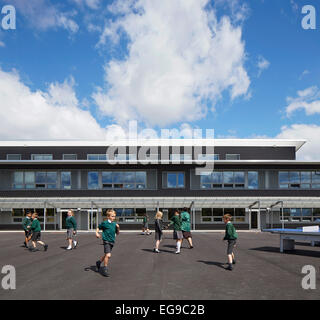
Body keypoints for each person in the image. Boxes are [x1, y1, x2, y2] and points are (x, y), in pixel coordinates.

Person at [95, 209, 120, 277]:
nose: (113, 218)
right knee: (108, 255)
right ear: (108, 217)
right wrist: (97, 233)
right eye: (112, 216)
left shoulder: (114, 224)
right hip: (106, 241)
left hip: (112, 242)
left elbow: (117, 233)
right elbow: (98, 227)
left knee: (106, 255)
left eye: (114, 216)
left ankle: (99, 262)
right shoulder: (105, 223)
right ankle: (105, 269)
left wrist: (118, 228)